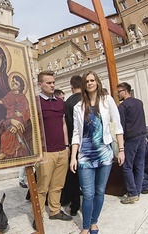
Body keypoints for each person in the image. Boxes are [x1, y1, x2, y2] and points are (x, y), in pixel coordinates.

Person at [70, 71, 125, 234]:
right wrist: (73, 156)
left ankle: (94, 223)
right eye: (87, 81)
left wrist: (121, 150)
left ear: (97, 82)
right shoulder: (77, 107)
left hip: (104, 153)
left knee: (100, 191)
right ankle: (85, 227)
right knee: (87, 193)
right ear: (83, 85)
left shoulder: (107, 101)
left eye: (92, 80)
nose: (90, 83)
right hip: (85, 156)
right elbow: (76, 133)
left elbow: (118, 125)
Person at [33, 70, 72, 229]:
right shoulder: (35, 102)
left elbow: (63, 124)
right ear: (40, 84)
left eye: (53, 82)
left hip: (61, 150)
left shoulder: (60, 102)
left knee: (58, 184)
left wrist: (67, 145)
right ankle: (38, 214)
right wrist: (37, 151)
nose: (52, 85)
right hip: (45, 151)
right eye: (48, 83)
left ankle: (55, 210)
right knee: (42, 187)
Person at [117, 82, 147, 204]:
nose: (117, 94)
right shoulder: (139, 102)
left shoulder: (123, 107)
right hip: (142, 136)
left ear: (125, 91)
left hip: (131, 139)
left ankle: (132, 193)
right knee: (139, 164)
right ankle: (137, 191)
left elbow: (121, 125)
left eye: (119, 92)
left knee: (126, 166)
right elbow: (143, 119)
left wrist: (121, 143)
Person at [0, 74, 31, 160]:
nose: (13, 84)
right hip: (9, 119)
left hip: (19, 119)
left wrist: (21, 114)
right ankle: (12, 148)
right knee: (5, 135)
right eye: (13, 81)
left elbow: (27, 110)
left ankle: (5, 152)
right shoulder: (10, 94)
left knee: (7, 135)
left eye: (16, 83)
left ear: (20, 87)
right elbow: (3, 101)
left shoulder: (22, 97)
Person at [61, 75, 82, 216]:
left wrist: (67, 145)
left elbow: (66, 126)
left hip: (73, 144)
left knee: (73, 176)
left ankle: (74, 207)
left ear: (71, 87)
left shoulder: (67, 103)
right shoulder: (88, 99)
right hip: (88, 144)